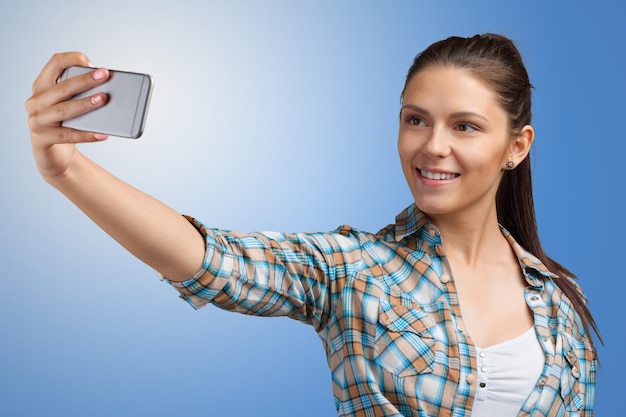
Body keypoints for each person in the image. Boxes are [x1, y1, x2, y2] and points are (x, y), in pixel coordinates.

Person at [25, 33, 599, 416]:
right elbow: (210, 259)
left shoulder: (558, 305)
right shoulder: (353, 271)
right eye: (416, 120)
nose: (432, 147)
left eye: (466, 126)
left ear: (516, 147)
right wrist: (67, 170)